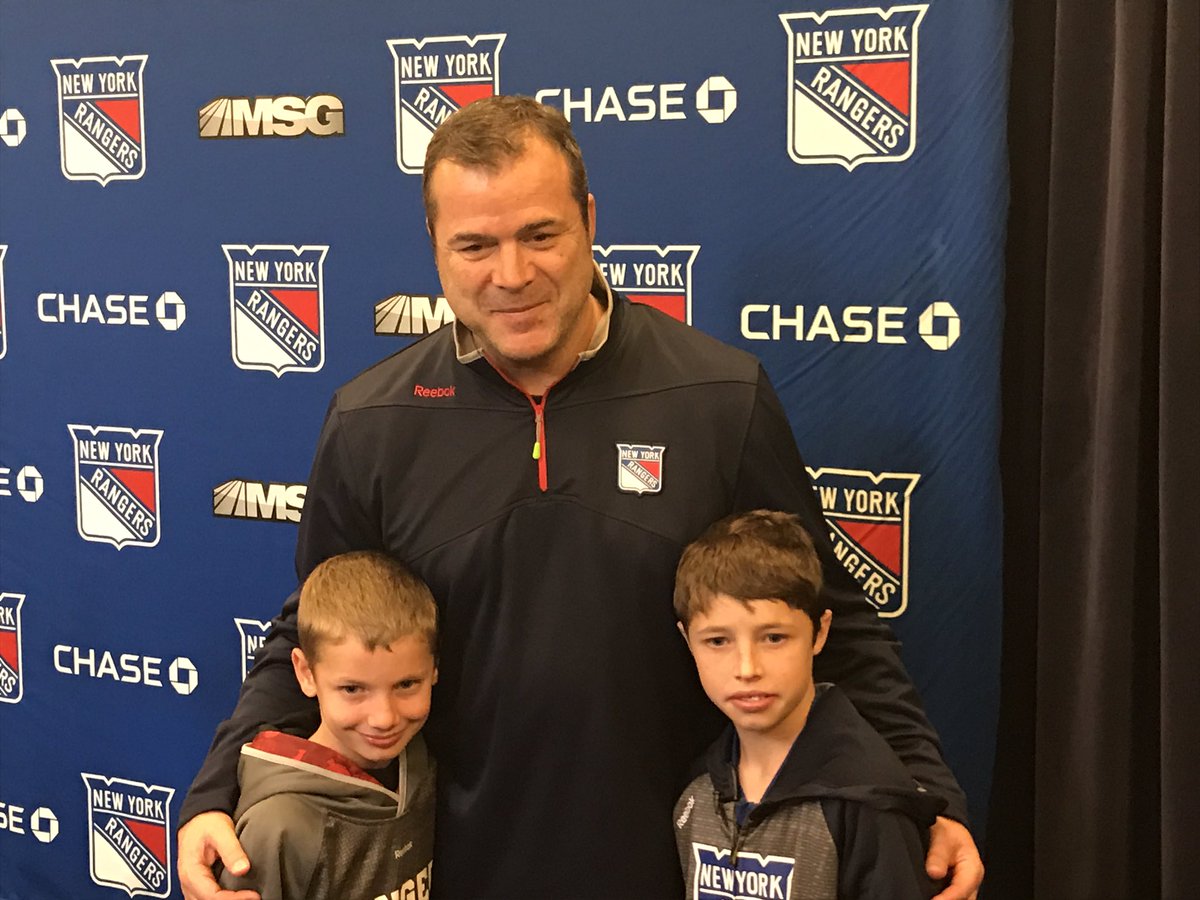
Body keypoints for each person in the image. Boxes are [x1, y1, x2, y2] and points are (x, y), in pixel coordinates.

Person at [178, 95, 983, 900]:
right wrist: (218, 791)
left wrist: (927, 794)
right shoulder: (371, 422)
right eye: (475, 245)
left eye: (540, 234)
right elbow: (313, 630)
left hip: (682, 869)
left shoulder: (718, 395)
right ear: (434, 246)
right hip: (453, 867)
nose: (512, 274)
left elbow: (827, 622)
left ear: (589, 220)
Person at [672, 510, 945, 899]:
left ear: (820, 633)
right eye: (718, 641)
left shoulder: (870, 803)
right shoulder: (695, 789)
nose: (747, 668)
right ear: (687, 641)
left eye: (774, 638)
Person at [218, 551, 437, 900]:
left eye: (407, 684)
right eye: (352, 689)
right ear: (306, 673)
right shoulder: (278, 824)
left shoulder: (420, 762)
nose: (384, 718)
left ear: (434, 670)